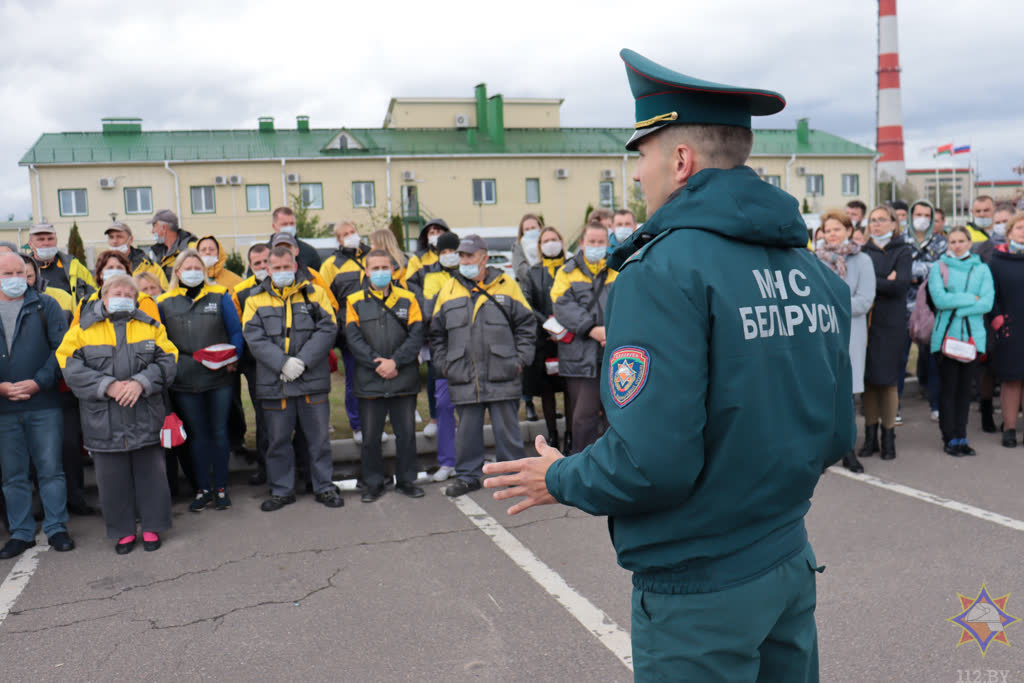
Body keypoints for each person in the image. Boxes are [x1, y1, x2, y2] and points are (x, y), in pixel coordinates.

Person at [483, 49, 854, 682]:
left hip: (702, 591)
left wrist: (562, 477)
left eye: (643, 156)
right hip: (788, 559)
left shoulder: (662, 271)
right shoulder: (813, 270)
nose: (640, 176)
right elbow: (833, 431)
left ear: (680, 161)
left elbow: (650, 462)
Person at [56, 275, 178, 553]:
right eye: (116, 292)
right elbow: (68, 365)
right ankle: (122, 531)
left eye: (127, 293)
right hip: (103, 418)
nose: (122, 296)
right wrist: (107, 386)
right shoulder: (82, 329)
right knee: (112, 479)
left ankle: (152, 527)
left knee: (152, 475)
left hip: (144, 413)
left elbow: (169, 360)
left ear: (136, 299)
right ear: (104, 296)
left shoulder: (152, 326)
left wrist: (141, 383)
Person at [429, 234, 536, 498]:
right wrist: (445, 366)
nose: (463, 260)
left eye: (469, 256)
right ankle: (467, 476)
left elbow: (526, 326)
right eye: (461, 255)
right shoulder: (448, 289)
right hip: (463, 374)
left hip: (503, 371)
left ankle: (513, 478)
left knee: (507, 432)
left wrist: (520, 360)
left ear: (484, 257)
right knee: (466, 433)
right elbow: (436, 334)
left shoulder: (506, 284)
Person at [242, 246, 344, 511]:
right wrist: (283, 363)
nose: (282, 272)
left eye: (286, 267)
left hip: (311, 378)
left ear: (295, 266)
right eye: (276, 268)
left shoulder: (316, 292)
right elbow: (253, 337)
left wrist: (303, 360)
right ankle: (281, 489)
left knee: (319, 438)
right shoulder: (254, 299)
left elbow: (328, 327)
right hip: (276, 381)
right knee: (277, 440)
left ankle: (324, 486)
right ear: (267, 270)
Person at [0, 252, 75, 559]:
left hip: (43, 403)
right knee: (12, 475)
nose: (16, 278)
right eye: (7, 273)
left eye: (20, 272)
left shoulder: (47, 305)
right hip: (4, 410)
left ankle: (57, 527)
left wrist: (39, 382)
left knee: (51, 470)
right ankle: (21, 532)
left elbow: (62, 349)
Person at [157, 248, 243, 512]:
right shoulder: (164, 301)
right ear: (178, 271)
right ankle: (203, 488)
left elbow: (236, 332)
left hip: (218, 377)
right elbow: (161, 342)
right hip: (184, 379)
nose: (193, 272)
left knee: (219, 432)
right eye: (188, 267)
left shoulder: (219, 296)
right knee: (197, 435)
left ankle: (221, 487)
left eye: (198, 268)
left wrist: (233, 358)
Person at [344, 250, 426, 502]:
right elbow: (353, 338)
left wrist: (395, 362)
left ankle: (407, 480)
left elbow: (416, 335)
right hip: (370, 379)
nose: (380, 272)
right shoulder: (354, 300)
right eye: (375, 268)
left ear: (393, 269)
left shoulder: (409, 298)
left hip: (403, 376)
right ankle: (373, 483)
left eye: (385, 267)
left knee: (407, 434)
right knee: (370, 437)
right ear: (367, 272)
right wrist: (376, 363)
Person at [816, 210, 875, 473]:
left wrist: (830, 304)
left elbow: (864, 301)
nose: (832, 234)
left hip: (851, 332)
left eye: (837, 229)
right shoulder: (814, 261)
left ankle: (849, 451)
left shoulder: (862, 261)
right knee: (822, 393)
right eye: (828, 230)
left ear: (849, 230)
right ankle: (823, 449)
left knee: (847, 395)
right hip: (820, 334)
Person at [551, 222, 618, 453]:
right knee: (583, 419)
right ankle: (582, 468)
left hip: (614, 352)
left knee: (617, 418)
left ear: (608, 244)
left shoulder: (618, 269)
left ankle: (616, 468)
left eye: (601, 242)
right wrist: (592, 329)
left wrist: (613, 331)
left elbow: (629, 303)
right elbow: (562, 306)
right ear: (582, 243)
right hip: (580, 357)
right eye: (592, 242)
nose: (596, 246)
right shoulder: (566, 272)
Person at [928, 226, 994, 456]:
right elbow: (939, 299)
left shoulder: (982, 269)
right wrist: (969, 299)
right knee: (949, 389)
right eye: (952, 241)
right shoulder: (939, 267)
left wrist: (961, 309)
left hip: (973, 338)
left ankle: (961, 436)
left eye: (961, 241)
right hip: (946, 337)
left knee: (965, 391)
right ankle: (949, 437)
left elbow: (987, 302)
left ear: (969, 243)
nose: (957, 245)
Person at [859, 205, 912, 460]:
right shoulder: (862, 251)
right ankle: (870, 437)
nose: (876, 224)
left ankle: (888, 437)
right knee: (869, 380)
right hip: (868, 321)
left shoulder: (903, 251)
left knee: (888, 380)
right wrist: (884, 281)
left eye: (881, 220)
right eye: (872, 220)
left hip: (892, 323)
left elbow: (901, 285)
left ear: (893, 223)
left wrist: (877, 283)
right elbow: (861, 284)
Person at [519, 226, 570, 450]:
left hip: (571, 339)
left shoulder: (571, 268)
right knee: (547, 391)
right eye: (546, 240)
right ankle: (552, 435)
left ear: (561, 241)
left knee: (571, 390)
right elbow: (528, 303)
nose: (550, 243)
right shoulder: (533, 272)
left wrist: (565, 326)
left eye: (554, 239)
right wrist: (549, 325)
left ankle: (571, 434)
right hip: (544, 340)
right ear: (539, 247)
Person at [320, 220, 369, 442]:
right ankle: (357, 425)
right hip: (351, 332)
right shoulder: (331, 264)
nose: (350, 236)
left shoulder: (373, 256)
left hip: (378, 330)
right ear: (338, 240)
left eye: (353, 231)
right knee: (354, 379)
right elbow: (326, 301)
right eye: (345, 234)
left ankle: (378, 421)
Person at [420, 231, 462, 481]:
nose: (449, 256)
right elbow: (432, 311)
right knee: (445, 405)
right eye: (444, 252)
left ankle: (468, 460)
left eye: (453, 251)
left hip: (469, 349)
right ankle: (447, 461)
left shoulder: (471, 274)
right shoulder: (431, 277)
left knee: (470, 408)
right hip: (443, 349)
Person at [233, 243, 272, 485]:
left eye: (266, 261)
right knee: (264, 417)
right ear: (250, 266)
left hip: (287, 361)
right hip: (256, 364)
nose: (262, 267)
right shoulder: (240, 292)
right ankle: (265, 468)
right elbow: (241, 330)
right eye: (257, 263)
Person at [904, 200, 946, 420]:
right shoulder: (900, 240)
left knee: (933, 359)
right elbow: (900, 270)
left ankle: (936, 405)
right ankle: (896, 407)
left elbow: (941, 270)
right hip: (903, 307)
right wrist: (923, 272)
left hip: (931, 307)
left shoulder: (940, 242)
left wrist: (913, 273)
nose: (922, 218)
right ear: (911, 216)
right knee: (900, 359)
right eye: (918, 214)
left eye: (927, 215)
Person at [987, 213, 1024, 448]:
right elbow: (991, 294)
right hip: (1010, 328)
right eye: (1020, 228)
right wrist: (998, 318)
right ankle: (1009, 428)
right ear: (1009, 232)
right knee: (1011, 380)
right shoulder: (996, 261)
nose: (1023, 232)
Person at [73, 250, 161, 326]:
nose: (115, 271)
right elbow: (74, 337)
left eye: (119, 267)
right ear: (100, 274)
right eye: (110, 268)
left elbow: (155, 335)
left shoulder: (143, 300)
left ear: (127, 273)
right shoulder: (86, 303)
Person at [27, 223, 96, 305]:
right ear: (30, 244)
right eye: (41, 239)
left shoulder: (73, 266)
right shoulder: (22, 269)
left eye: (50, 239)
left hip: (72, 316)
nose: (46, 243)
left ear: (56, 241)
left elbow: (93, 294)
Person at [105, 222, 169, 290]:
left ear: (131, 239)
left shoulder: (150, 267)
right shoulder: (103, 266)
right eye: (111, 237)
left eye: (119, 237)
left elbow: (164, 295)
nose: (114, 241)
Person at [404, 218, 452, 291]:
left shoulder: (456, 255)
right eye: (432, 233)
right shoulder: (417, 260)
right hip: (428, 301)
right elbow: (412, 284)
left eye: (438, 232)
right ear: (426, 237)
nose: (436, 235)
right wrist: (424, 302)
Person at [148, 209, 197, 280]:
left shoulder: (191, 248)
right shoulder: (159, 252)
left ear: (164, 228)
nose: (152, 231)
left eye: (154, 226)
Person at [268, 206, 321, 272]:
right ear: (274, 226)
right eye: (284, 224)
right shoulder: (265, 252)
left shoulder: (309, 252)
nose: (289, 227)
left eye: (292, 224)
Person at [512, 214, 544, 282]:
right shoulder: (518, 247)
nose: (530, 231)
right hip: (528, 288)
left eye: (533, 228)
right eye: (527, 229)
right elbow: (520, 270)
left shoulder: (547, 243)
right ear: (522, 232)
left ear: (540, 228)